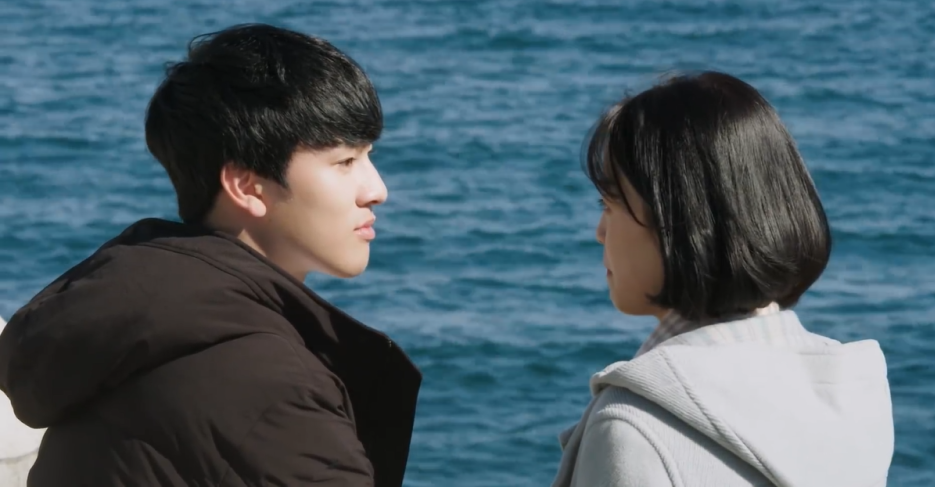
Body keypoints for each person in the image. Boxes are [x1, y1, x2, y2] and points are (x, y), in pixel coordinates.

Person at [0, 24, 421, 487]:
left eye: (369, 156)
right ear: (247, 185)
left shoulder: (134, 316)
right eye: (344, 162)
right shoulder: (268, 385)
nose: (377, 189)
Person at [552, 72, 894, 487]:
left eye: (609, 204)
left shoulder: (634, 427)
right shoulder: (855, 393)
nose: (599, 232)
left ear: (679, 222)